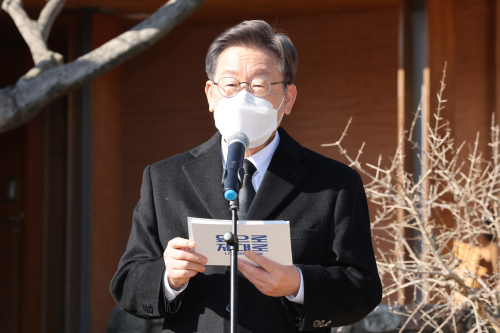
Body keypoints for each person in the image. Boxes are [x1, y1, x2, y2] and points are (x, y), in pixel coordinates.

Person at [110, 20, 382, 332]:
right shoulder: (164, 178)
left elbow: (363, 289)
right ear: (211, 95)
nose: (243, 97)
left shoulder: (335, 184)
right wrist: (168, 277)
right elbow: (127, 283)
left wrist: (298, 283)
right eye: (230, 84)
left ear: (288, 99)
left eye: (259, 85)